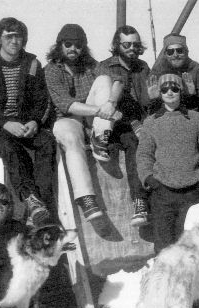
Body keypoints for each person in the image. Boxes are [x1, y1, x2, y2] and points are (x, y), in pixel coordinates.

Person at [45, 24, 147, 227]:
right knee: (70, 138)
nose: (73, 49)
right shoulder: (51, 70)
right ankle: (87, 199)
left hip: (96, 121)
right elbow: (66, 104)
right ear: (60, 46)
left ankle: (101, 138)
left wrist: (110, 103)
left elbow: (117, 81)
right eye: (68, 44)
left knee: (104, 79)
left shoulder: (92, 64)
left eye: (78, 45)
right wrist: (102, 110)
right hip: (68, 119)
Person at [0, 17, 54, 226]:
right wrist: (5, 123)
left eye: (18, 36)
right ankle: (30, 198)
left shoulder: (33, 63)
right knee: (9, 146)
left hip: (24, 123)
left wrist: (35, 122)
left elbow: (43, 100)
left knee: (46, 142)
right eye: (9, 36)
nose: (14, 41)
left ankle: (38, 206)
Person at [136, 73, 199, 254]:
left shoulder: (197, 119)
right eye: (165, 89)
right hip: (163, 192)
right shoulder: (151, 122)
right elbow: (144, 155)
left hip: (194, 191)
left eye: (174, 88)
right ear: (160, 92)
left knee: (194, 244)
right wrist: (150, 179)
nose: (170, 92)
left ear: (181, 91)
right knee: (165, 246)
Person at [90, 25, 151, 226]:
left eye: (135, 44)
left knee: (136, 144)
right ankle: (139, 201)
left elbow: (146, 100)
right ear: (117, 45)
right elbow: (106, 97)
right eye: (126, 44)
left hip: (135, 122)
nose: (132, 48)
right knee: (130, 142)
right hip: (110, 120)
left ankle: (140, 202)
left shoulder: (142, 67)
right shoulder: (105, 65)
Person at [149, 33, 199, 114]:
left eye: (179, 51)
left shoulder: (198, 70)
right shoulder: (157, 71)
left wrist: (191, 94)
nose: (175, 55)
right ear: (165, 54)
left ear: (186, 52)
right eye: (170, 51)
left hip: (191, 113)